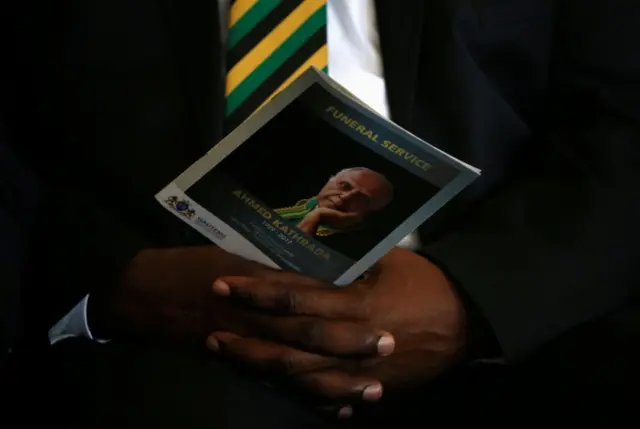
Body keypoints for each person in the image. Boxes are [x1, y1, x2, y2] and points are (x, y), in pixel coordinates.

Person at [2, 0, 638, 427]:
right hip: (159, 332)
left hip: (507, 313)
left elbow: (621, 124)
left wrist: (476, 300)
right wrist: (115, 287)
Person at [275, 167, 393, 237]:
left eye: (361, 198)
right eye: (344, 186)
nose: (345, 197)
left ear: (373, 210)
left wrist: (315, 217)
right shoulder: (288, 194)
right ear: (330, 179)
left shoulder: (353, 247)